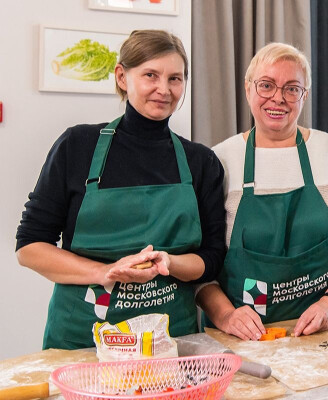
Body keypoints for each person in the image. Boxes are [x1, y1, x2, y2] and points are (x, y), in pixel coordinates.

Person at [16, 30, 226, 350]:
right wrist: (106, 271)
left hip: (171, 340)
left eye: (175, 78)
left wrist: (167, 262)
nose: (164, 89)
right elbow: (30, 247)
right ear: (122, 77)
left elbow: (211, 259)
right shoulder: (77, 146)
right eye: (150, 75)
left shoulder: (201, 162)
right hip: (83, 339)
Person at [196, 43, 328, 340]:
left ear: (304, 96)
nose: (278, 98)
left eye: (292, 89)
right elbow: (200, 261)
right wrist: (226, 315)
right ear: (248, 88)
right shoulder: (219, 160)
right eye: (266, 85)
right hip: (244, 339)